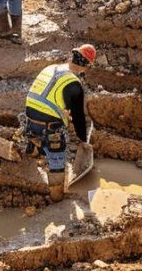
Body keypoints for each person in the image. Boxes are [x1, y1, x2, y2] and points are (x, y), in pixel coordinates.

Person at [22, 44, 96, 201]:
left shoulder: (51, 68)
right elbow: (78, 118)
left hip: (29, 118)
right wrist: (83, 140)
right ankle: (56, 196)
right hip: (48, 125)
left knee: (41, 134)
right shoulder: (73, 83)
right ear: (87, 66)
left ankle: (35, 147)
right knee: (57, 155)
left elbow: (49, 95)